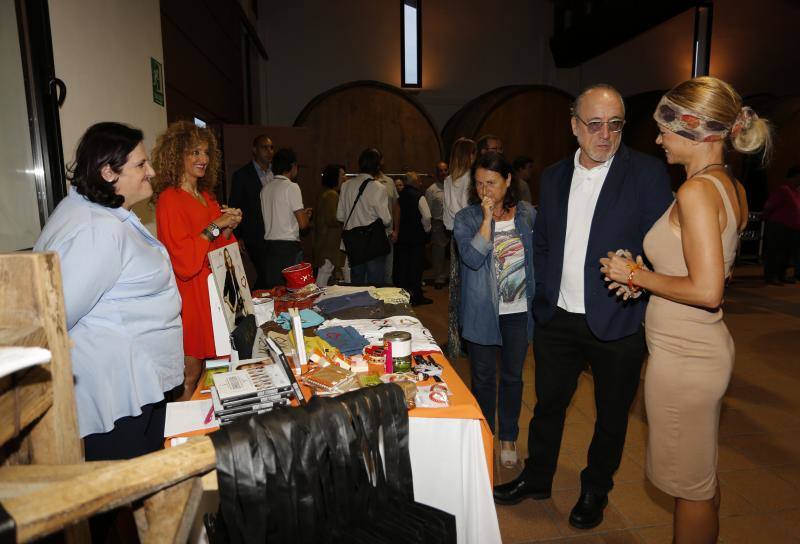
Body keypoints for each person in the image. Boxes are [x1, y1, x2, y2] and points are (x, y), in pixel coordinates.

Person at [493, 84, 673, 531]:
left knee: (612, 416)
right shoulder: (553, 176)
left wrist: (642, 269)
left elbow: (665, 246)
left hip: (619, 318)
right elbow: (545, 244)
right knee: (549, 405)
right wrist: (542, 303)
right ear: (574, 126)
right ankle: (536, 479)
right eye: (594, 124)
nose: (605, 134)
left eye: (615, 124)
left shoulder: (646, 174)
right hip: (558, 318)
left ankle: (595, 491)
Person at [600, 76, 771, 543]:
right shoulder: (725, 185)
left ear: (697, 129)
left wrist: (633, 276)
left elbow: (709, 288)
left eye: (665, 129)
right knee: (698, 478)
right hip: (697, 348)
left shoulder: (696, 192)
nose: (658, 140)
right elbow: (716, 272)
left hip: (686, 358)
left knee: (689, 487)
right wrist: (651, 283)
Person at [34, 122, 183, 460]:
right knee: (125, 496)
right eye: (141, 165)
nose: (152, 172)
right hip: (117, 392)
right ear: (108, 173)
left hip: (135, 383)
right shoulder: (97, 231)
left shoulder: (105, 215)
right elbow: (58, 316)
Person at [453, 153, 536, 469]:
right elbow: (472, 259)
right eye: (478, 183)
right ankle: (486, 434)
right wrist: (488, 220)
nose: (484, 190)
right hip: (482, 312)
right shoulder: (467, 218)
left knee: (513, 378)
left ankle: (508, 437)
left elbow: (538, 261)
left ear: (508, 181)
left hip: (518, 311)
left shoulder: (528, 215)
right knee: (484, 379)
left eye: (491, 182)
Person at [152, 121, 242, 401]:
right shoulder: (170, 200)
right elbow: (184, 260)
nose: (203, 159)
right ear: (177, 155)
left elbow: (219, 247)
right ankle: (180, 438)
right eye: (195, 153)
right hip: (191, 296)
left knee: (214, 371)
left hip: (214, 293)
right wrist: (217, 225)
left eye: (205, 153)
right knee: (188, 377)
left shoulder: (206, 197)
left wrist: (229, 226)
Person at [337, 148, 392, 284]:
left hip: (354, 244)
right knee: (375, 287)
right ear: (377, 166)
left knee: (357, 285)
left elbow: (339, 216)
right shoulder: (378, 187)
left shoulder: (346, 185)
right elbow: (386, 220)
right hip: (373, 243)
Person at [443, 137, 477, 360]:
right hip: (469, 237)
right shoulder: (471, 179)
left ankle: (456, 339)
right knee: (470, 290)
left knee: (456, 290)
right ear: (469, 155)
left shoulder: (447, 180)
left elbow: (447, 214)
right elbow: (469, 212)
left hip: (453, 236)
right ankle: (468, 340)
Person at [260, 148, 312, 287]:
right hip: (288, 250)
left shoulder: (265, 189)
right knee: (295, 293)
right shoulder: (291, 187)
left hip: (270, 249)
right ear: (293, 166)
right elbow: (303, 225)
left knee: (275, 293)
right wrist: (306, 217)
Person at [228, 134, 273, 289]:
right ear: (254, 150)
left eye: (271, 147)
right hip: (254, 235)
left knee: (273, 277)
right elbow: (235, 205)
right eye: (264, 147)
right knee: (265, 276)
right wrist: (238, 236)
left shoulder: (276, 174)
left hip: (276, 235)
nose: (269, 151)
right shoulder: (242, 175)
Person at [393, 171, 432, 305]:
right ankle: (416, 297)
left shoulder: (400, 197)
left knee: (403, 268)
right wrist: (427, 230)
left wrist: (397, 231)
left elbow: (396, 216)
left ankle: (403, 297)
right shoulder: (419, 197)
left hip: (403, 238)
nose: (421, 183)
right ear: (415, 183)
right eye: (419, 181)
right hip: (416, 238)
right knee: (416, 268)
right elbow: (426, 216)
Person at [762, 165, 800, 284]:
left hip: (791, 228)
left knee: (785, 253)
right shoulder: (783, 189)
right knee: (775, 252)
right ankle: (771, 276)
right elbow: (769, 206)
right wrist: (765, 216)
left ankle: (781, 275)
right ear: (795, 177)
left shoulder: (795, 191)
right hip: (778, 226)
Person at [314, 164, 346, 287]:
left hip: (326, 242)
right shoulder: (332, 195)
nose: (344, 178)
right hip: (330, 243)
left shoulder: (325, 192)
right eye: (342, 175)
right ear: (335, 177)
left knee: (326, 272)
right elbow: (332, 219)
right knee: (324, 274)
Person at [425, 160, 450, 288]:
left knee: (452, 253)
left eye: (445, 170)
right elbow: (427, 210)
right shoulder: (431, 190)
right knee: (439, 253)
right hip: (438, 224)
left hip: (452, 224)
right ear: (436, 173)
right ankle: (439, 278)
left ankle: (451, 276)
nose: (443, 173)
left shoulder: (452, 187)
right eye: (441, 170)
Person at [222, 247, 248, 324]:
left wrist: (243, 298)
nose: (229, 259)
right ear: (225, 260)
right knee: (240, 320)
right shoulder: (227, 274)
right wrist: (226, 299)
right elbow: (225, 289)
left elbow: (237, 285)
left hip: (239, 300)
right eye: (226, 258)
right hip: (234, 302)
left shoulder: (233, 270)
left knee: (245, 315)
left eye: (229, 257)